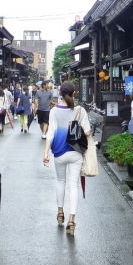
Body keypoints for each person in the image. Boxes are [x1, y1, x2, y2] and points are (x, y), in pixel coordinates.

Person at [42, 81, 91, 236]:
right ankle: (72, 220)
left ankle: (60, 212)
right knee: (73, 185)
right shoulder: (80, 110)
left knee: (60, 181)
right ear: (74, 93)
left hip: (59, 152)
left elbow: (50, 132)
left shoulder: (54, 111)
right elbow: (88, 132)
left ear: (60, 94)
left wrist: (45, 153)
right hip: (76, 151)